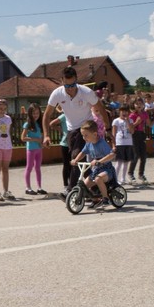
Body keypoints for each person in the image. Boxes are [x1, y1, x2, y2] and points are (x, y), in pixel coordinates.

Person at [42, 66, 109, 197]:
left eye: (73, 84)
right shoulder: (57, 93)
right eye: (67, 85)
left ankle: (71, 190)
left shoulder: (86, 92)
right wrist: (46, 135)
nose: (70, 88)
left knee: (76, 157)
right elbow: (47, 115)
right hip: (71, 130)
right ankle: (95, 189)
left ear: (76, 80)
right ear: (62, 81)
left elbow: (100, 107)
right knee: (80, 161)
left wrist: (108, 127)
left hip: (87, 127)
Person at [71, 120, 117, 209]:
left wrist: (99, 161)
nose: (84, 138)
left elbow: (112, 155)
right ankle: (95, 200)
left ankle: (106, 198)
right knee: (85, 185)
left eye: (86, 135)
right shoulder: (89, 144)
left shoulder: (102, 143)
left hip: (107, 169)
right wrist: (75, 160)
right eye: (83, 135)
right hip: (97, 169)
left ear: (95, 134)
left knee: (98, 179)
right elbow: (83, 152)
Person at [21, 102, 46, 195]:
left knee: (38, 168)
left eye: (37, 113)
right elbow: (23, 138)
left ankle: (39, 187)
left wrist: (42, 142)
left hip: (39, 149)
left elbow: (41, 136)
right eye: (34, 113)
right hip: (31, 149)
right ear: (30, 114)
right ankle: (28, 188)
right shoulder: (27, 124)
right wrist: (36, 139)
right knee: (29, 167)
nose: (36, 115)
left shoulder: (39, 124)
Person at [128, 99, 150, 183]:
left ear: (143, 105)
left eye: (140, 103)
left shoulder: (145, 114)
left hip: (141, 134)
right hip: (134, 135)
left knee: (143, 156)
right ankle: (130, 173)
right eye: (137, 104)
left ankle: (141, 174)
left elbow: (149, 124)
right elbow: (130, 128)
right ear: (134, 105)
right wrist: (136, 123)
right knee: (135, 155)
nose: (139, 105)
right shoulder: (132, 115)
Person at [111, 105, 135, 185]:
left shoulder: (130, 120)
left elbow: (132, 131)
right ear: (119, 112)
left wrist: (128, 121)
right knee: (119, 162)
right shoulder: (116, 121)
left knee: (126, 162)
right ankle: (114, 178)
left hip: (128, 143)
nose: (124, 113)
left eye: (126, 111)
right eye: (122, 111)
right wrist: (114, 145)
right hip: (120, 143)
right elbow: (113, 134)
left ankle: (123, 179)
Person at [49, 106, 70, 190]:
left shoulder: (76, 116)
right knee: (66, 165)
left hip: (74, 143)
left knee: (74, 165)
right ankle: (65, 185)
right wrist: (60, 130)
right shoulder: (64, 116)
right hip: (65, 144)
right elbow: (51, 124)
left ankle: (72, 184)